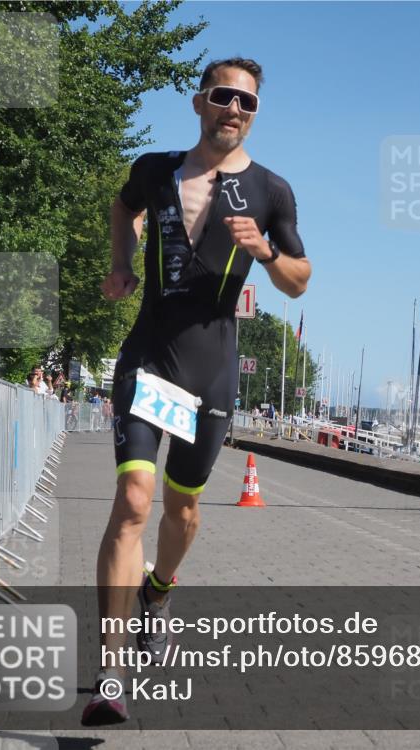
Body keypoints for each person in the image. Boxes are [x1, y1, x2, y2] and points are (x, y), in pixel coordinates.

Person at [84, 56, 311, 726]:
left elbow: (301, 278)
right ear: (199, 103)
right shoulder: (155, 170)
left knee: (181, 512)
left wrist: (267, 254)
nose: (234, 110)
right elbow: (121, 209)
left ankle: (160, 589)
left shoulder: (271, 192)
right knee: (132, 500)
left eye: (247, 103)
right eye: (223, 97)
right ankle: (111, 670)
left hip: (210, 374)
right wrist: (121, 264)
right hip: (149, 360)